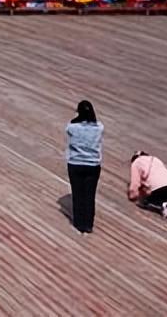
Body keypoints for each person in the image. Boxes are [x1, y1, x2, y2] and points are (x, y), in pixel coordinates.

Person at [66, 100, 103, 234]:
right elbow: (96, 123)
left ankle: (79, 223)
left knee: (77, 193)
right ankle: (88, 224)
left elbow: (70, 126)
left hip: (75, 163)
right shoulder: (99, 128)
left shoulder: (72, 127)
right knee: (89, 195)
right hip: (93, 164)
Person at [128, 152, 167, 219]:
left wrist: (133, 196)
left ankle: (164, 205)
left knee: (147, 201)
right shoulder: (155, 159)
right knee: (163, 197)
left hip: (157, 187)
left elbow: (135, 183)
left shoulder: (136, 163)